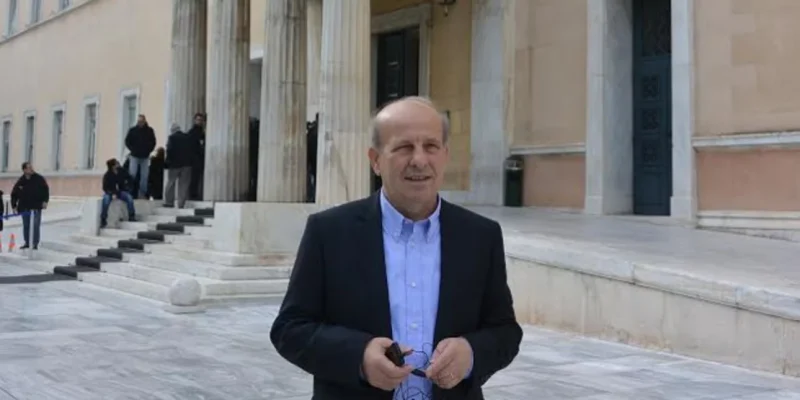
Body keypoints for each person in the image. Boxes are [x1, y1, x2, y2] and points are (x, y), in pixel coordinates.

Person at [270, 97, 522, 399]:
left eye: (431, 146)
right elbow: (290, 329)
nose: (419, 160)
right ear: (375, 160)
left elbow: (505, 331)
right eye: (404, 147)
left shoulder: (480, 236)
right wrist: (359, 356)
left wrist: (471, 354)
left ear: (445, 155)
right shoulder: (329, 232)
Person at [11, 162, 49, 250]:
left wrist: (45, 201)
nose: (31, 169)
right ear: (24, 170)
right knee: (26, 225)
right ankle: (27, 242)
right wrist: (14, 206)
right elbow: (14, 194)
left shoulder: (39, 179)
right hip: (25, 207)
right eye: (29, 168)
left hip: (36, 206)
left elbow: (46, 190)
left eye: (31, 167)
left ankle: (35, 244)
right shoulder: (21, 181)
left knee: (35, 225)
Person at [124, 114, 157, 198]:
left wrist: (148, 150)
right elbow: (127, 141)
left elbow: (153, 142)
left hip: (145, 156)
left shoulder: (149, 131)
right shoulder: (133, 130)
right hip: (134, 155)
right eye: (139, 121)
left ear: (145, 121)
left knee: (144, 176)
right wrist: (132, 149)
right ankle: (130, 192)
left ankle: (142, 193)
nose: (140, 123)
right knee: (132, 174)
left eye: (141, 121)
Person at [163, 123, 193, 208]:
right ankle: (181, 204)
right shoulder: (188, 137)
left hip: (174, 164)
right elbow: (192, 150)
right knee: (184, 185)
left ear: (173, 130)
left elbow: (169, 150)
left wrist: (167, 162)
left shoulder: (171, 138)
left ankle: (169, 202)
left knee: (171, 183)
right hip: (187, 164)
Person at [100, 158, 136, 228]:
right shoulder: (107, 175)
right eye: (116, 163)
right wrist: (112, 193)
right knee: (106, 200)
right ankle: (103, 219)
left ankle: (131, 215)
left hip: (120, 192)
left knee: (129, 198)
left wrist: (127, 186)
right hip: (110, 192)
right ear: (112, 166)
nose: (118, 164)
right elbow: (105, 188)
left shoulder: (121, 172)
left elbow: (129, 178)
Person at [186, 112, 206, 200]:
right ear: (194, 120)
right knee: (194, 177)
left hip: (200, 157)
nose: (199, 121)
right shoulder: (192, 132)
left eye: (201, 120)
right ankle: (193, 194)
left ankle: (197, 194)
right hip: (194, 158)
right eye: (198, 120)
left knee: (198, 177)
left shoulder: (203, 132)